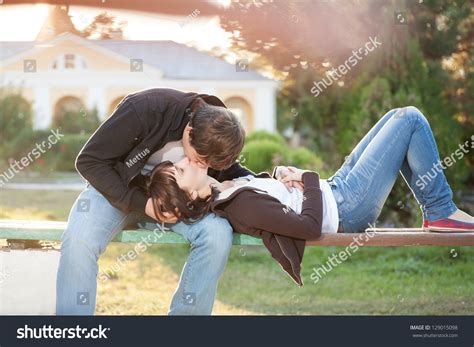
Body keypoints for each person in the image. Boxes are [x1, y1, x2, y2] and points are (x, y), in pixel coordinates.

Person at [147, 106, 474, 284]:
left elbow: (274, 198)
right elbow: (310, 228)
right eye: (178, 170)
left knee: (395, 115)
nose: (183, 160)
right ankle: (440, 209)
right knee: (410, 119)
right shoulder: (238, 207)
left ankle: (437, 210)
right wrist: (308, 178)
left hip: (338, 189)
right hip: (347, 210)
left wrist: (282, 177)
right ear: (189, 194)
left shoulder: (229, 189)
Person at [56, 88, 261, 315]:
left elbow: (234, 174)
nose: (202, 167)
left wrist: (278, 180)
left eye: (208, 165)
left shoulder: (216, 136)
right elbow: (89, 161)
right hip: (115, 193)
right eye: (200, 160)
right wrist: (144, 205)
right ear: (189, 130)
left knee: (217, 233)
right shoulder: (145, 109)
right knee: (79, 239)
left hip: (176, 206)